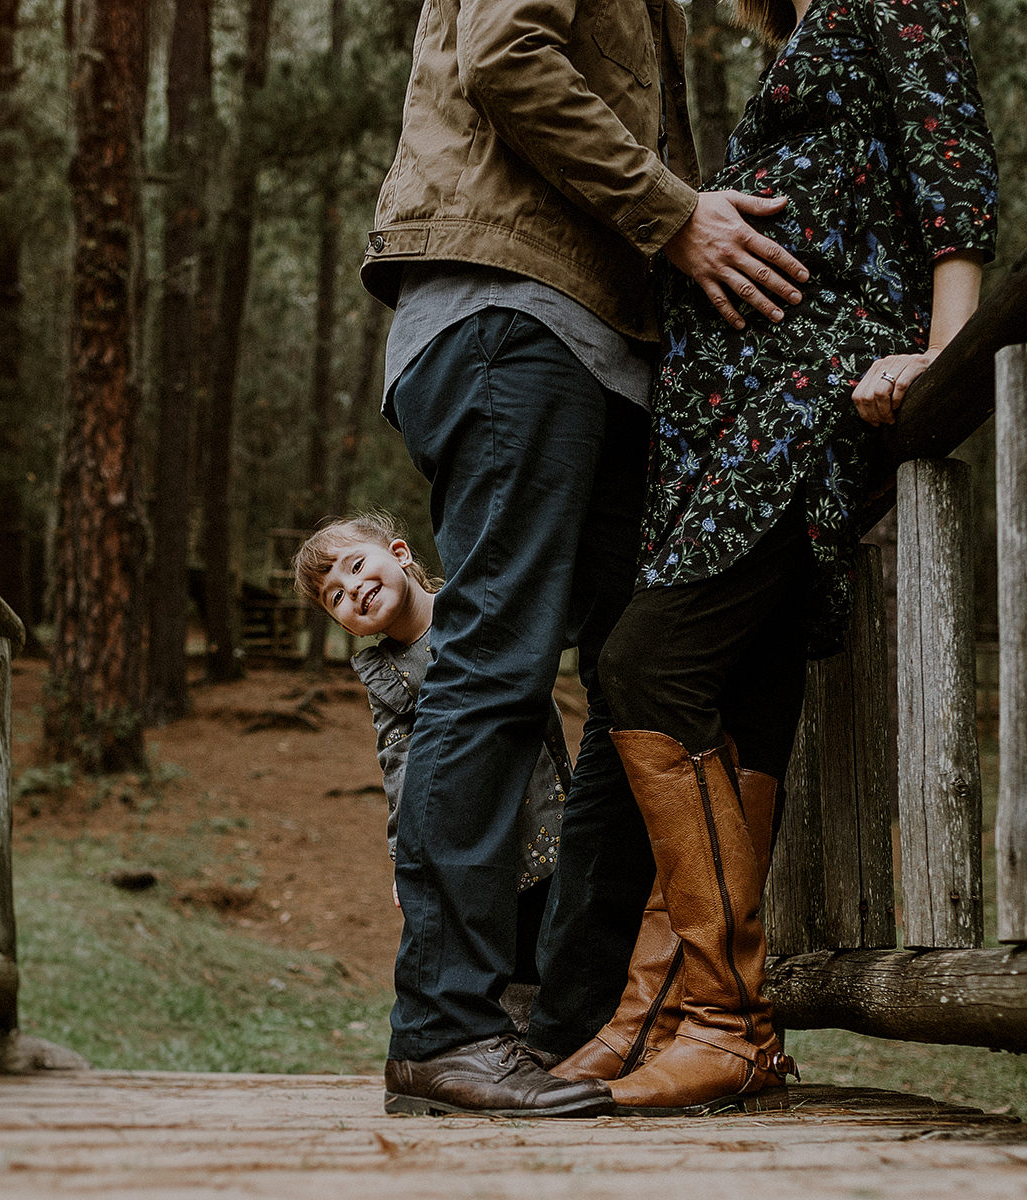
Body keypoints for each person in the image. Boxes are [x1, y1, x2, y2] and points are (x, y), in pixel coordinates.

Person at [360, 1, 810, 1117]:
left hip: (598, 340)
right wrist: (678, 216)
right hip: (510, 313)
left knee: (635, 677)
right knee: (495, 661)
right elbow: (506, 51)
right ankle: (443, 1030)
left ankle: (568, 1029)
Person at [553, 0, 996, 1116]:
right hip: (727, 414)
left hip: (802, 394)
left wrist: (939, 359)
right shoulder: (799, 29)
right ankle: (658, 1014)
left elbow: (953, 174)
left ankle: (725, 1021)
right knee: (741, 705)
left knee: (645, 666)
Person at [291, 514, 571, 1032]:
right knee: (509, 941)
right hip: (477, 833)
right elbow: (399, 767)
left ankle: (582, 1032)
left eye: (357, 565)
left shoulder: (475, 609)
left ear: (399, 554)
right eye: (336, 597)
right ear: (343, 624)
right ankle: (520, 1043)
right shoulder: (387, 676)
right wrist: (407, 858)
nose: (354, 589)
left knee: (568, 923)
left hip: (545, 797)